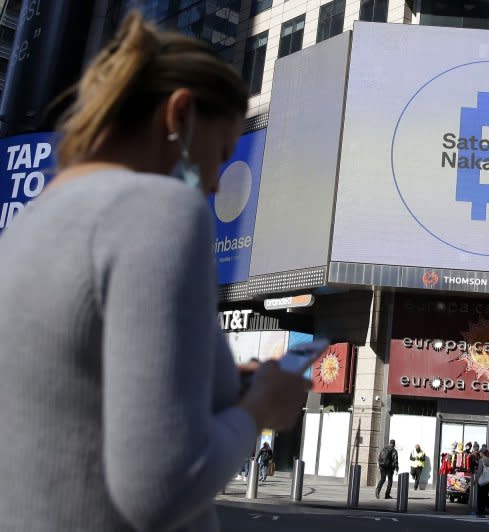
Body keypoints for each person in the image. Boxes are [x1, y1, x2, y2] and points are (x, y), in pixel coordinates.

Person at [0, 12, 312, 531]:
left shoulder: (29, 223)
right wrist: (261, 409)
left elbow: (75, 398)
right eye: (221, 152)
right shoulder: (158, 209)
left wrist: (219, 385)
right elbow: (163, 486)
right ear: (180, 114)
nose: (214, 183)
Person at [474, 445, 489, 518]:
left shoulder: (481, 460)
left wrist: (475, 480)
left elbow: (480, 471)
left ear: (482, 453)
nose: (479, 453)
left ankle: (480, 512)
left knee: (480, 497)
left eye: (480, 452)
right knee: (485, 497)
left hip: (483, 481)